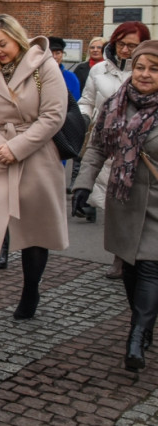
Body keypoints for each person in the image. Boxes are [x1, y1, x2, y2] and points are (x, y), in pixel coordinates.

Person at [0, 15, 68, 327]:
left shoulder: (44, 66)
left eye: (2, 44)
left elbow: (53, 115)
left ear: (17, 38)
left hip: (36, 154)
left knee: (35, 231)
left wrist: (18, 147)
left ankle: (31, 289)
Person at [72, 40, 158, 371]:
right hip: (124, 199)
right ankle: (144, 321)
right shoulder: (116, 104)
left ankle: (136, 335)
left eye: (154, 69)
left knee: (150, 267)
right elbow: (97, 148)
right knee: (131, 271)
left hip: (156, 202)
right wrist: (82, 184)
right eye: (140, 67)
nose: (145, 74)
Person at [78, 22, 152, 230]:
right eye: (121, 44)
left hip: (137, 149)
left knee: (136, 212)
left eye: (132, 45)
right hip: (105, 143)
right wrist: (83, 119)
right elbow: (87, 101)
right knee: (111, 211)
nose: (125, 50)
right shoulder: (98, 70)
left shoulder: (146, 74)